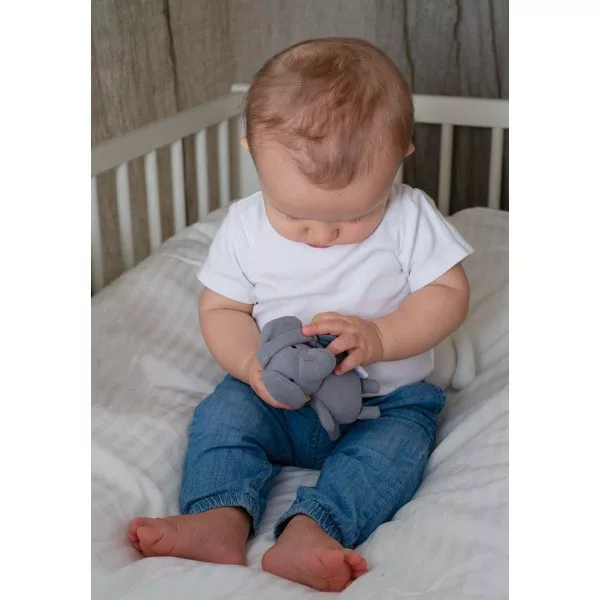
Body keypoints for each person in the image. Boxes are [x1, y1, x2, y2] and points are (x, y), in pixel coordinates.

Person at [128, 37, 473, 592]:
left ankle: (314, 529)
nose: (322, 235)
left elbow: (448, 293)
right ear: (252, 154)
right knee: (223, 418)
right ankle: (218, 516)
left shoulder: (410, 217)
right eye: (293, 215)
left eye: (354, 217)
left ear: (401, 155)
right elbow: (222, 308)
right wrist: (249, 365)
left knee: (398, 453)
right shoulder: (244, 227)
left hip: (383, 404)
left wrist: (382, 336)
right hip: (276, 398)